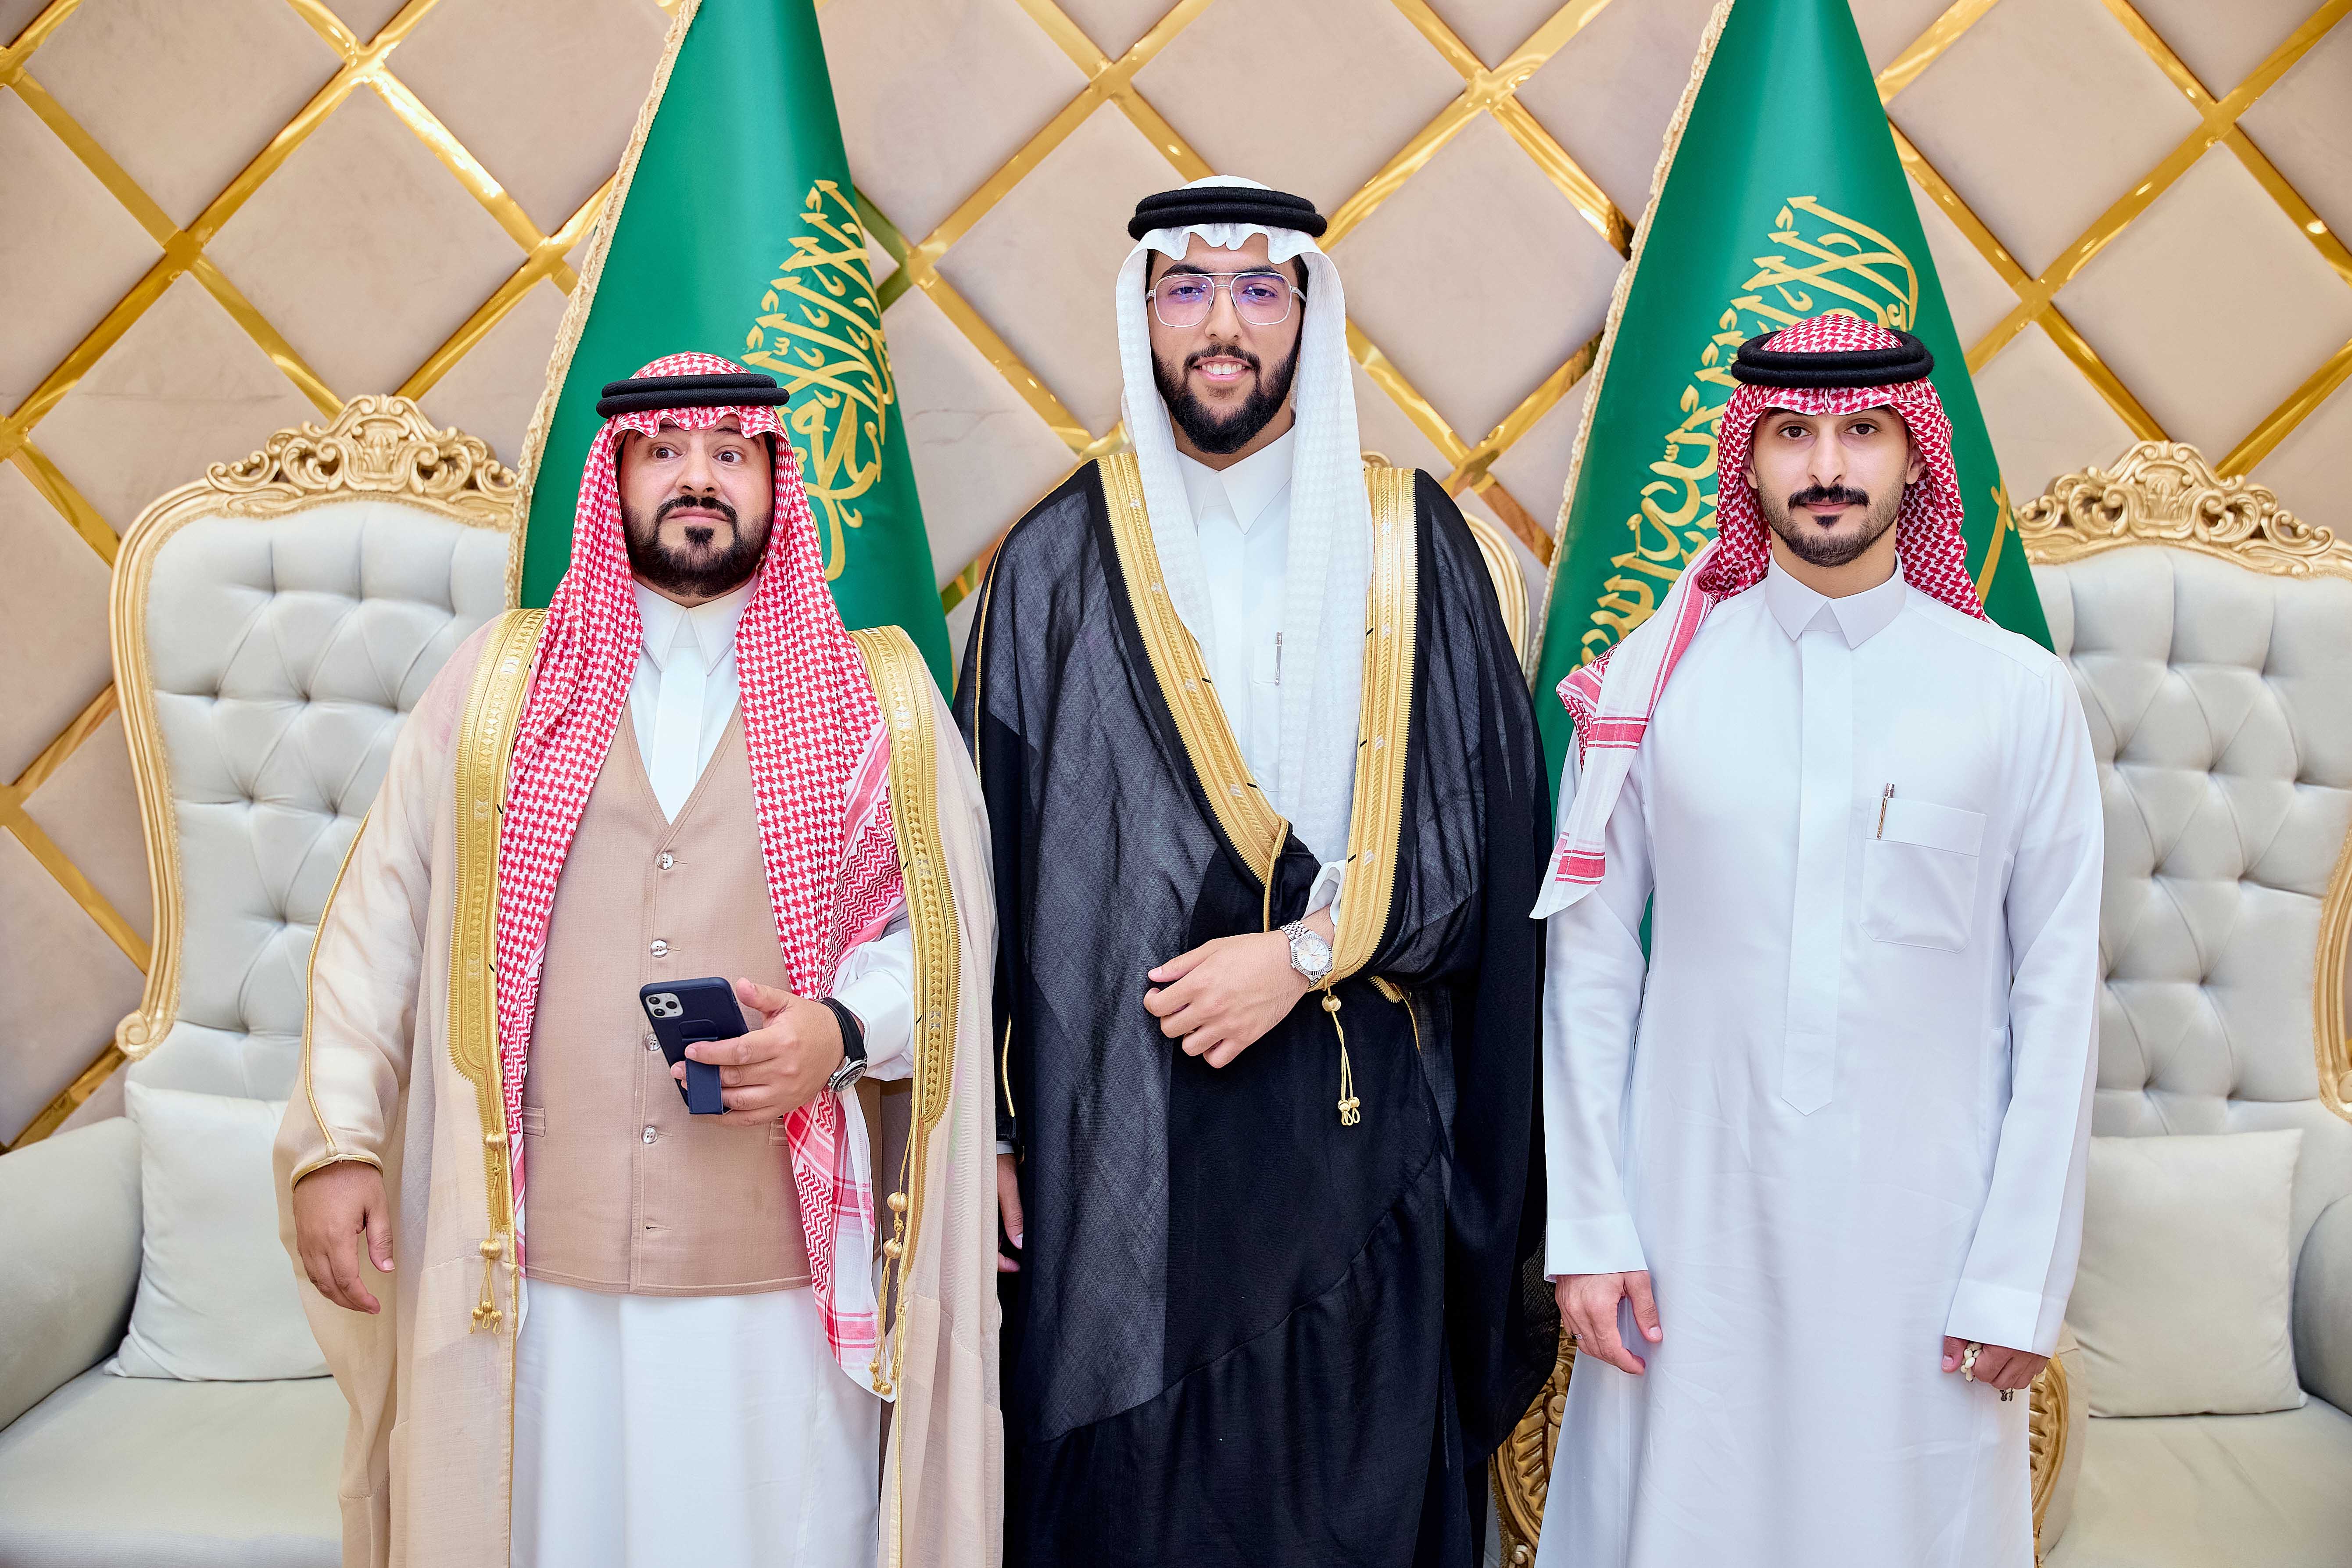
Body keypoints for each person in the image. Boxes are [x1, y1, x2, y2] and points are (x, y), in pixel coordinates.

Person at [278, 354, 1001, 1568]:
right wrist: (340, 1142)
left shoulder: (874, 695)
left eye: (730, 452)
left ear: (777, 481)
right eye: (663, 452)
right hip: (533, 1264)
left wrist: (836, 1033)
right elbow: (382, 922)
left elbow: (937, 940)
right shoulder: (499, 686)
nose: (696, 478)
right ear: (610, 482)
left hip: (776, 1268)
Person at [955, 176, 1555, 1567]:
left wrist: (1297, 956)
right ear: (1143, 315)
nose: (1220, 324)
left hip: (1357, 1133)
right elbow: (986, 872)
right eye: (1186, 288)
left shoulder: (1411, 544)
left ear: (1305, 312)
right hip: (1123, 1147)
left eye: (1254, 289)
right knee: (1137, 1510)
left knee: (1347, 1506)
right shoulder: (1053, 561)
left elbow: (1481, 845)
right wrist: (991, 1132)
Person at [1532, 313, 2101, 1567]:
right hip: (1687, 1228)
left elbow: (2059, 997)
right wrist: (1592, 1227)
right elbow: (1589, 969)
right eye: (1792, 432)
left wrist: (2018, 1275)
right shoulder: (1649, 685)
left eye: (1862, 431)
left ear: (1915, 455)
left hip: (1925, 1240)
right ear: (1746, 456)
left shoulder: (2017, 693)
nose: (1827, 466)